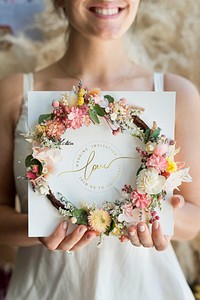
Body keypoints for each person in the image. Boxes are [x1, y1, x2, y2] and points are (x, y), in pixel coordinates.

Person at [0, 1, 200, 299]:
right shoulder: (16, 92)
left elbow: (193, 221)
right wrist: (39, 226)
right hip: (47, 289)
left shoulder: (175, 91)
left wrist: (160, 219)